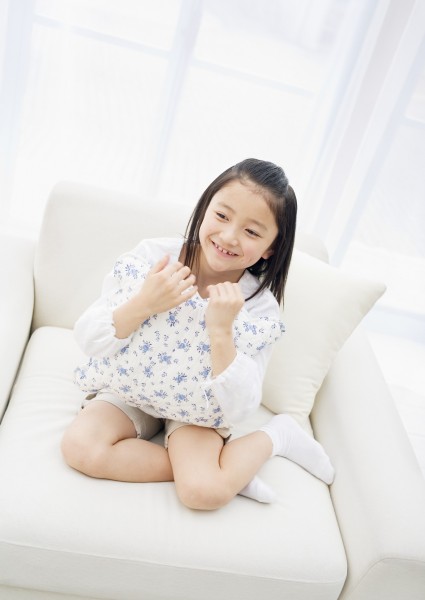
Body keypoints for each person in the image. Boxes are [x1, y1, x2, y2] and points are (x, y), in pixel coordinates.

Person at [62, 158, 334, 510]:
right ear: (204, 209)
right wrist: (144, 303)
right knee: (81, 448)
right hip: (131, 389)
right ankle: (228, 469)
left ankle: (277, 436)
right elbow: (89, 338)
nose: (229, 237)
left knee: (202, 493)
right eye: (221, 216)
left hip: (198, 410)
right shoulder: (153, 258)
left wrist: (221, 332)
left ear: (270, 248)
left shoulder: (259, 308)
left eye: (252, 232)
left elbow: (240, 407)